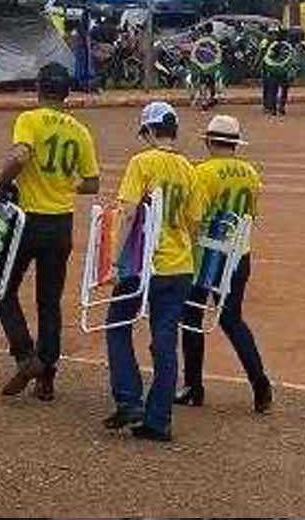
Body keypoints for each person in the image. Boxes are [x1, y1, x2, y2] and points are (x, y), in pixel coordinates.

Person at [0, 64, 100, 401]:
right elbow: (92, 183)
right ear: (66, 92)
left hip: (27, 221)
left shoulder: (30, 119)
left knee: (2, 287)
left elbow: (20, 155)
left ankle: (25, 356)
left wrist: (3, 184)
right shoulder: (80, 131)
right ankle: (47, 375)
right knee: (49, 302)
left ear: (39, 89)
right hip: (60, 222)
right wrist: (65, 185)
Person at [105, 102, 205, 442]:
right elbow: (195, 223)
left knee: (118, 325)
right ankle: (158, 418)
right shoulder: (189, 169)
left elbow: (129, 212)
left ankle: (129, 398)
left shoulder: (141, 162)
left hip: (144, 263)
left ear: (148, 132)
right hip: (179, 265)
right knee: (165, 341)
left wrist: (116, 261)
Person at [176, 115, 273, 413]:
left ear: (208, 141)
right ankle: (260, 384)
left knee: (191, 318)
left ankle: (193, 385)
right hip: (238, 254)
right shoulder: (250, 173)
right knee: (232, 319)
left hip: (206, 254)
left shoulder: (201, 173)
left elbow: (194, 215)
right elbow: (252, 215)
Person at [260, 29, 296, 117]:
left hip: (273, 72)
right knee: (284, 90)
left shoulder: (272, 45)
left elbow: (267, 57)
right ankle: (281, 107)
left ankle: (273, 109)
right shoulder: (289, 46)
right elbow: (292, 60)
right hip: (284, 72)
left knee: (273, 90)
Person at [190, 23, 223, 110]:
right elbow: (218, 52)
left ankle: (204, 101)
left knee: (203, 83)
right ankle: (212, 98)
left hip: (202, 65)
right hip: (212, 65)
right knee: (212, 83)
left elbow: (196, 52)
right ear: (212, 29)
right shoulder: (214, 39)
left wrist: (196, 63)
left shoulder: (201, 39)